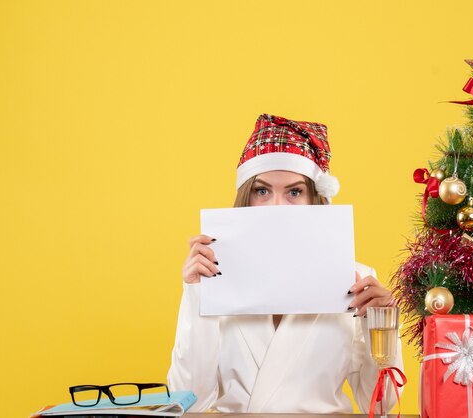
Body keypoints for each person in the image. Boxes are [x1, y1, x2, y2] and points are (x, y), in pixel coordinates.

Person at [167, 114, 403, 413]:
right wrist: (196, 295)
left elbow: (382, 404)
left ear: (314, 201)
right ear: (246, 199)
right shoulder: (214, 277)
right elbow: (188, 401)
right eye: (262, 191)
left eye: (294, 192)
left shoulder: (356, 278)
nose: (277, 206)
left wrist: (381, 324)